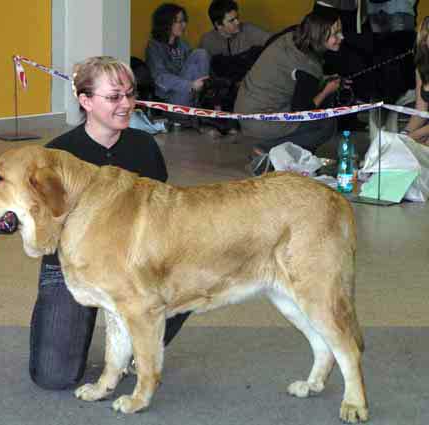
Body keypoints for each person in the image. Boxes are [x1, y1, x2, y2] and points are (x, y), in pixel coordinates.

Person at [29, 56, 191, 390]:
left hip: (134, 268)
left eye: (130, 95)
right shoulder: (58, 153)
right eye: (114, 97)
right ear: (85, 101)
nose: (126, 104)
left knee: (191, 274)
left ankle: (136, 349)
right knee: (53, 376)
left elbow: (163, 217)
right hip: (72, 269)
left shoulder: (144, 146)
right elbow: (44, 225)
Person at [234, 8, 347, 175]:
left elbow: (294, 79)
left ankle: (285, 148)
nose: (341, 37)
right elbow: (302, 111)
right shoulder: (307, 65)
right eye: (335, 34)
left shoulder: (293, 36)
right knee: (327, 124)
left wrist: (323, 80)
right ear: (318, 35)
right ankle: (266, 149)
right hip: (260, 120)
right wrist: (327, 89)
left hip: (246, 108)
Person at [145, 3, 211, 112]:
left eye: (184, 21)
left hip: (190, 95)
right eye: (179, 22)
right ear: (167, 23)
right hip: (169, 100)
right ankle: (195, 110)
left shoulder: (182, 43)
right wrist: (190, 85)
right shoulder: (154, 46)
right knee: (196, 61)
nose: (184, 25)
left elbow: (193, 70)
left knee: (201, 53)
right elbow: (160, 77)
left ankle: (203, 101)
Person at [199, 0, 271, 88]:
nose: (237, 22)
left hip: (253, 84)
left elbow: (272, 41)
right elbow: (205, 76)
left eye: (237, 17)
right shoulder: (207, 41)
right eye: (231, 20)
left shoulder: (247, 29)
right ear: (218, 25)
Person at [401, 16, 429, 144]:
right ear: (424, 40)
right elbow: (420, 113)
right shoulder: (421, 68)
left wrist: (413, 137)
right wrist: (404, 133)